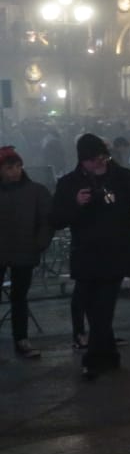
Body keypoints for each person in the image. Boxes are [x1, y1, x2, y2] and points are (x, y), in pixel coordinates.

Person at [51, 134, 130, 380]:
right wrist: (76, 204)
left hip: (116, 252)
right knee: (90, 305)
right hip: (86, 253)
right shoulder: (69, 183)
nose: (100, 164)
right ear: (83, 160)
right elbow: (57, 219)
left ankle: (94, 359)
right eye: (94, 160)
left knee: (104, 306)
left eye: (103, 158)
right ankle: (109, 354)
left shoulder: (121, 177)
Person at [0, 147, 52, 358]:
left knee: (19, 298)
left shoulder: (36, 191)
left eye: (18, 166)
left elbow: (46, 220)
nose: (15, 171)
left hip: (24, 250)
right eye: (9, 167)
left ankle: (21, 338)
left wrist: (39, 243)